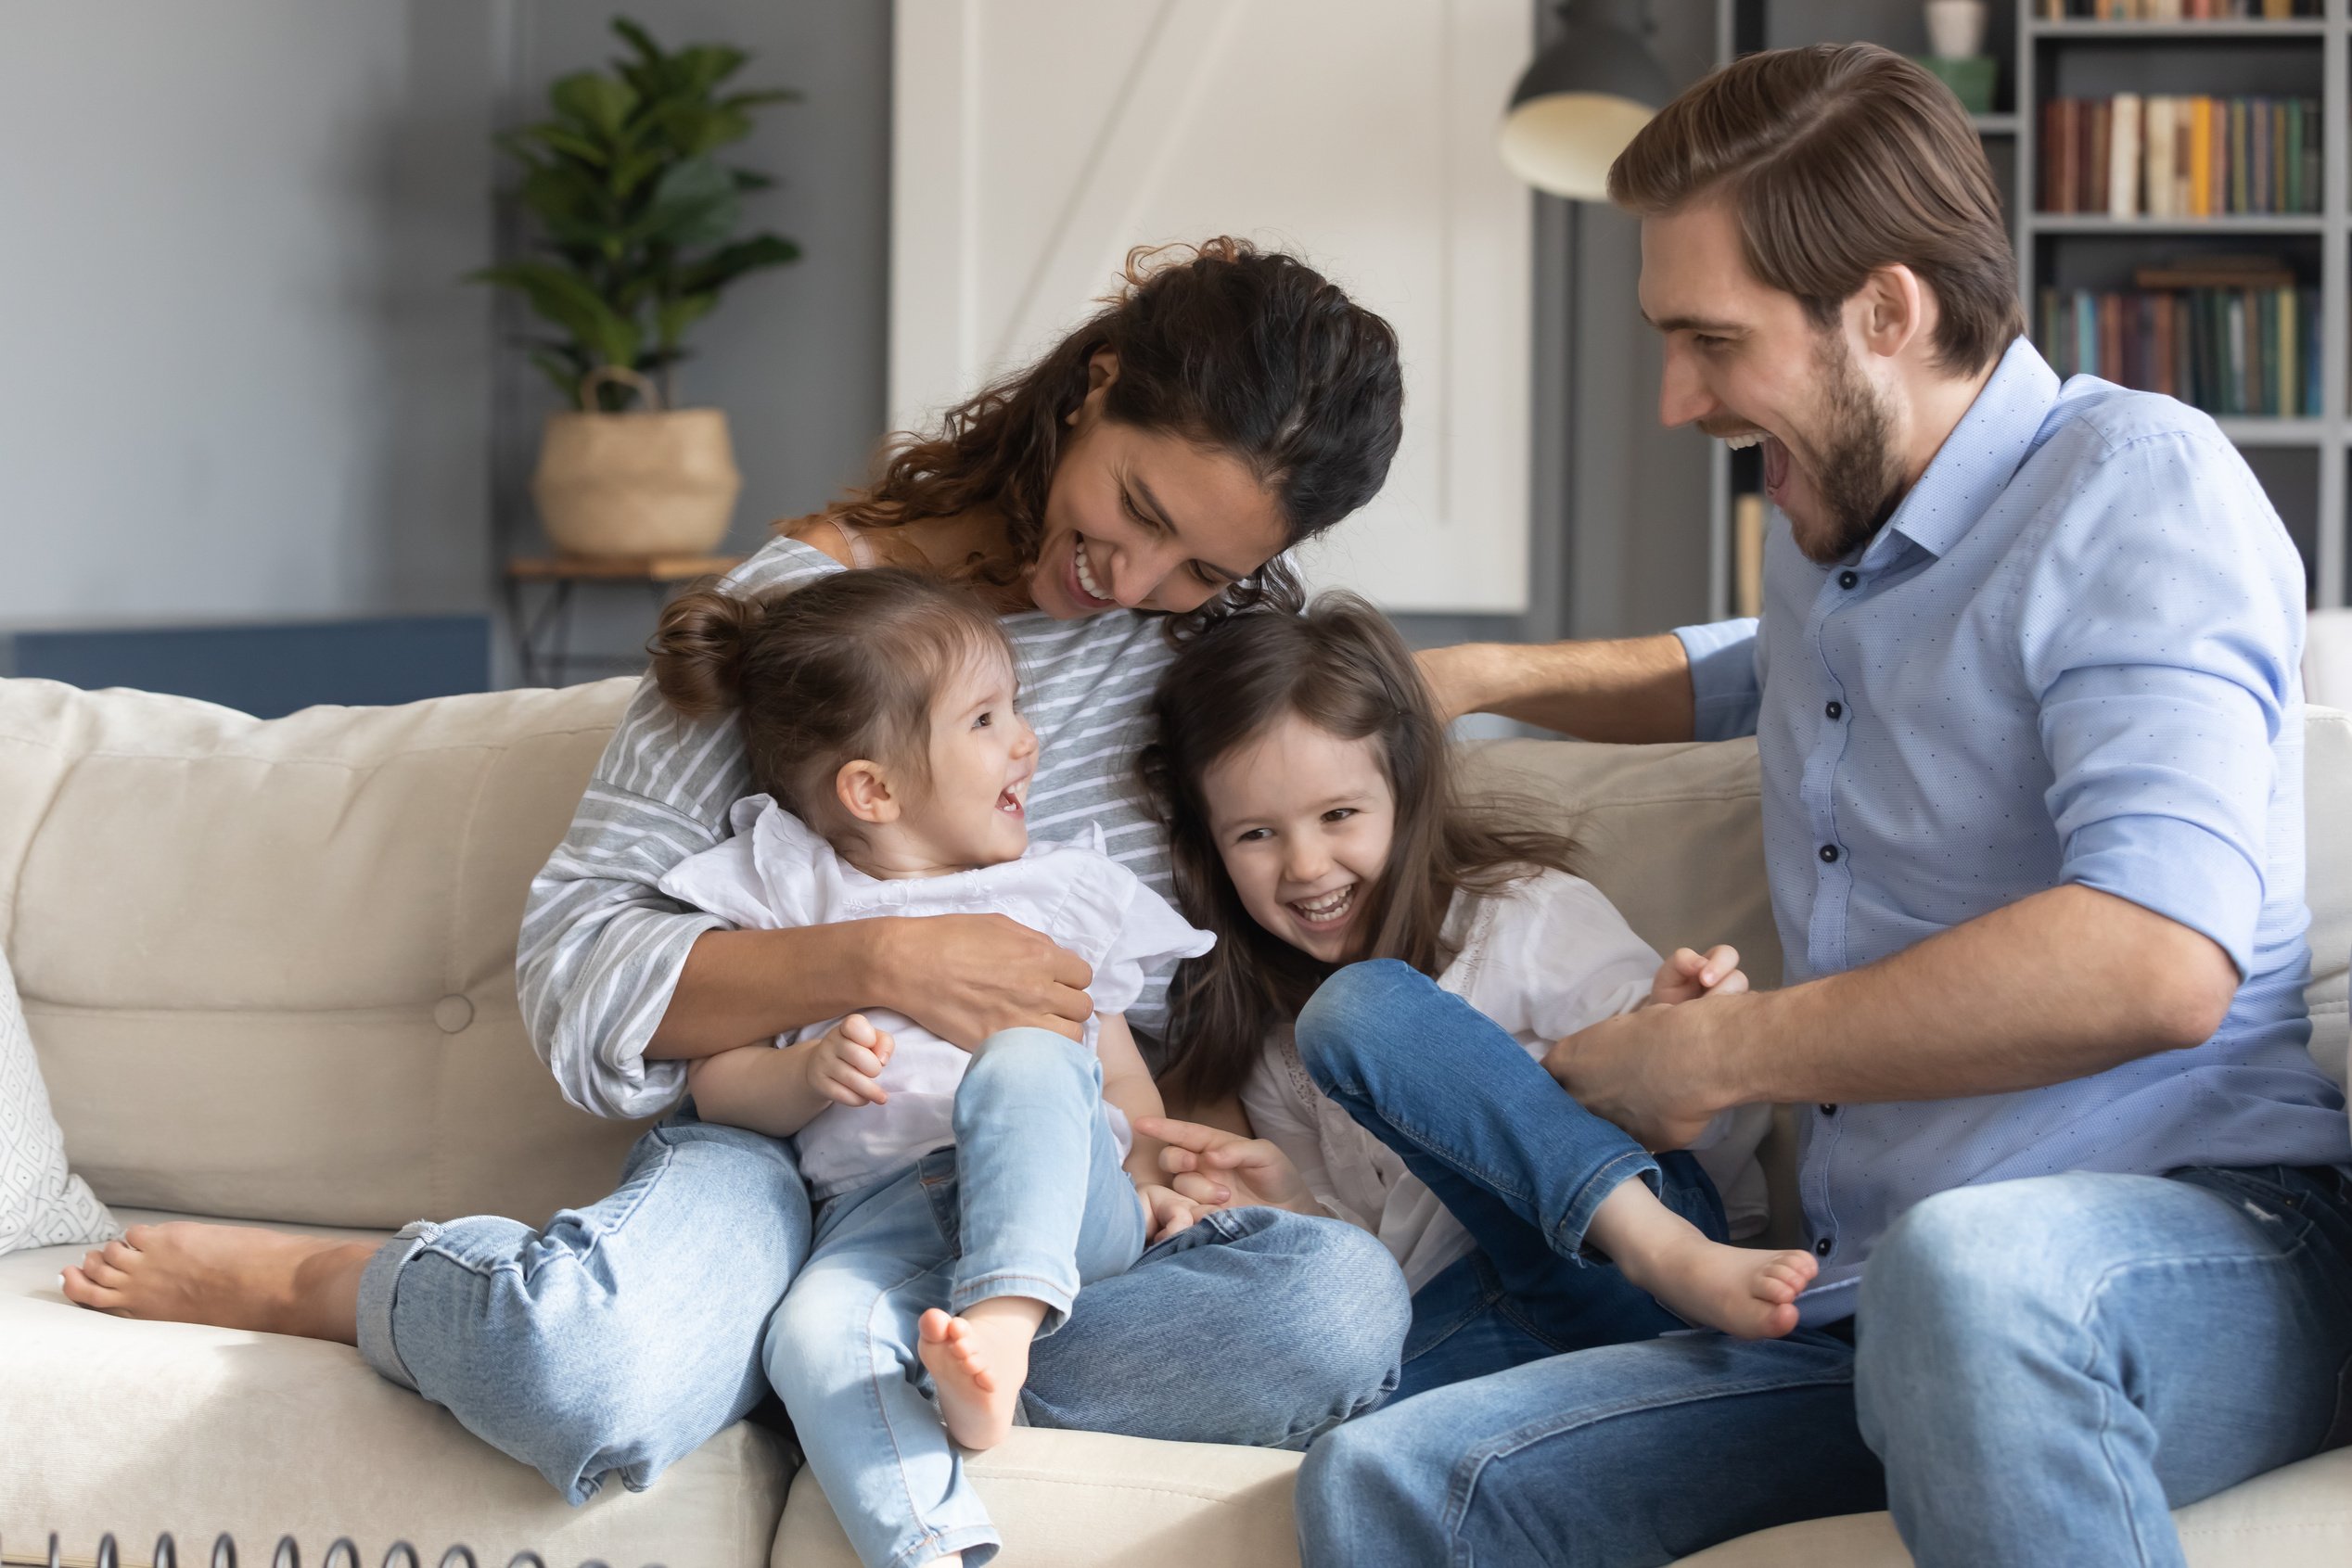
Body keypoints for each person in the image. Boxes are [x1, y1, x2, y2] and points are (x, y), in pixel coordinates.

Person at [59, 238, 1414, 1504]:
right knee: (582, 1373)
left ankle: (791, 1353)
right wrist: (885, 961)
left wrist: (1186, 1143)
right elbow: (582, 963)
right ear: (1098, 384)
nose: (1139, 577)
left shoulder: (1220, 642)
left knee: (1335, 1309)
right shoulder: (813, 612)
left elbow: (1288, 898)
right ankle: (367, 1285)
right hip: (784, 1159)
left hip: (1047, 1207)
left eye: (1204, 565)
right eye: (1136, 507)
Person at [1298, 45, 2352, 1568]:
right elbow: (1756, 673)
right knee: (1400, 1483)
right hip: (1867, 1292)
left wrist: (1710, 1053)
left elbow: (2156, 956)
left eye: (1709, 341)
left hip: (2203, 1236)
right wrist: (1460, 679)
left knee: (1970, 1277)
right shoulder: (1840, 535)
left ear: (1886, 309)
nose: (1676, 400)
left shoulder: (2138, 488)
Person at [646, 568, 1221, 1568]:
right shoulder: (793, 886)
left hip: (1061, 1194)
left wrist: (1148, 1177)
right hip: (879, 1218)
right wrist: (806, 1072)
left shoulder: (1063, 891)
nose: (1025, 740)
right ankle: (932, 1547)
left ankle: (1001, 1329)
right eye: (987, 718)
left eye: (1017, 708)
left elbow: (1118, 1078)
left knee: (1025, 1059)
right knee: (807, 1337)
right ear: (872, 789)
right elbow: (717, 1083)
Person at [1129, 595, 1814, 1399]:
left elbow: (1701, 1128)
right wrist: (1296, 1207)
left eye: (1339, 814)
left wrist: (1671, 1038)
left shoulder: (1520, 913)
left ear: (1406, 795)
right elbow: (1377, 1280)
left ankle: (1656, 1245)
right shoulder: (1270, 1044)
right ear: (1210, 849)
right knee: (1327, 1392)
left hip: (1646, 1274)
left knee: (1360, 1008)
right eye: (1256, 834)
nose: (1307, 864)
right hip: (1490, 1325)